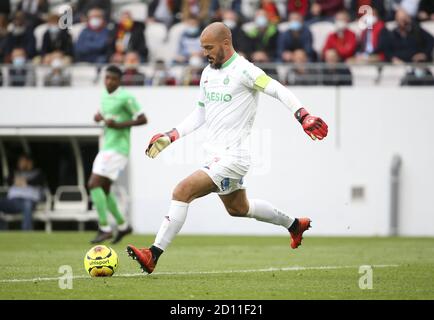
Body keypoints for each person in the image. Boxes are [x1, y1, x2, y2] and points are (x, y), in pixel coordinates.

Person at [126, 22, 328, 274]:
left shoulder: (245, 70)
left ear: (225, 43)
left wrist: (303, 115)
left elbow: (276, 88)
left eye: (209, 47)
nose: (205, 53)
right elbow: (200, 113)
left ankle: (153, 254)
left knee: (182, 191)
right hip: (217, 156)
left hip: (232, 156)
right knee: (238, 209)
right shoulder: (207, 73)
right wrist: (172, 135)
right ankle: (294, 225)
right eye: (202, 48)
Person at [89, 65, 147, 244]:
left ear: (119, 80)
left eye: (113, 79)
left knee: (93, 184)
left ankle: (104, 227)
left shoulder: (126, 97)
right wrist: (98, 118)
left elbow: (143, 118)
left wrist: (120, 125)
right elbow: (101, 115)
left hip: (118, 148)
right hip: (107, 146)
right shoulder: (104, 96)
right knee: (104, 189)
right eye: (107, 78)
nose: (109, 81)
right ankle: (123, 225)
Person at [0, 154, 45, 231]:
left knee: (27, 204)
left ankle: (26, 233)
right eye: (20, 161)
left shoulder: (37, 173)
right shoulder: (15, 172)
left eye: (22, 161)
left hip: (28, 200)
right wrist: (15, 180)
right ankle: (2, 230)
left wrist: (26, 181)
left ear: (29, 162)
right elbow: (7, 180)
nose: (20, 163)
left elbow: (39, 181)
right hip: (12, 202)